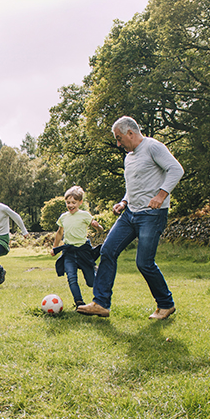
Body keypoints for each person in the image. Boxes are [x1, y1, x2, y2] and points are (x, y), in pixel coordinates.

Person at [77, 116, 184, 319]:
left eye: (119, 138)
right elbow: (134, 184)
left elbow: (176, 169)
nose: (118, 144)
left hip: (151, 215)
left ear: (130, 133)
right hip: (130, 214)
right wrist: (124, 201)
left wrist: (161, 196)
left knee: (144, 262)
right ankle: (101, 303)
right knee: (107, 251)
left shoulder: (153, 147)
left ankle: (166, 304)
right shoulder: (129, 157)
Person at [50, 185, 104, 308]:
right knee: (71, 278)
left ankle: (95, 272)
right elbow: (59, 233)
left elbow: (100, 230)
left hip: (83, 251)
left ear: (80, 202)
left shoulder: (85, 215)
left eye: (73, 202)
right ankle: (79, 302)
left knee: (91, 282)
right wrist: (55, 247)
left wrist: (97, 226)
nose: (70, 205)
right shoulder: (64, 217)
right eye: (68, 202)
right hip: (69, 252)